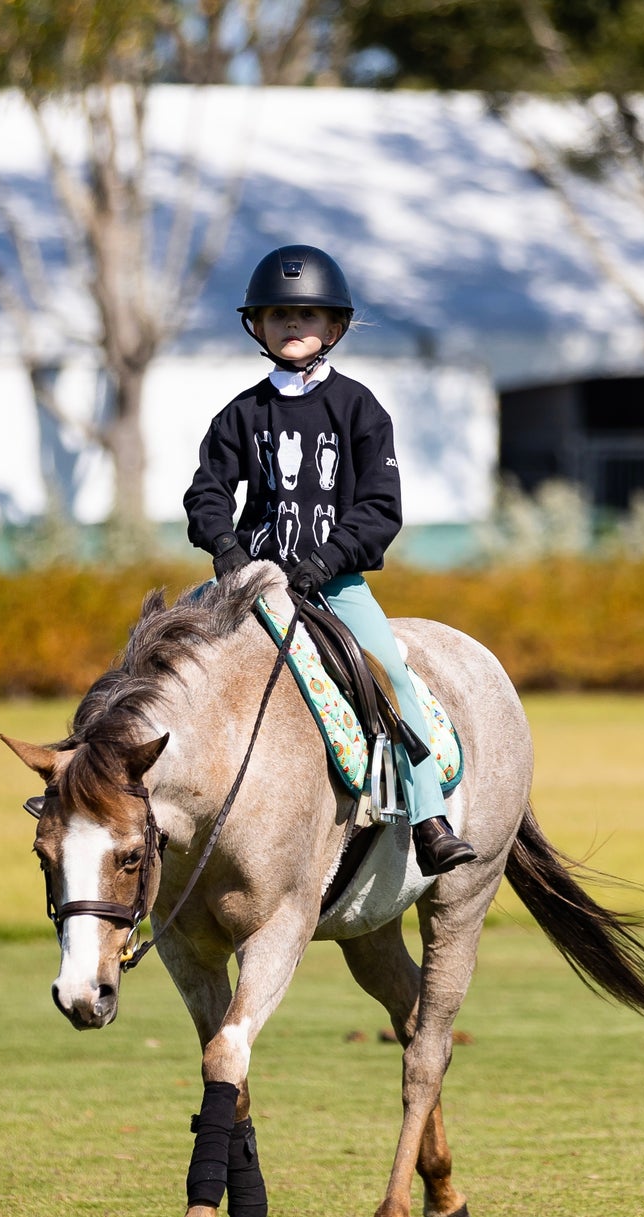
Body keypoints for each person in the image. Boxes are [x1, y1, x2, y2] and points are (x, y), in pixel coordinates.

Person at [183, 243, 476, 876]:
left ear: (335, 328)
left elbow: (378, 507)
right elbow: (206, 493)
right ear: (256, 327)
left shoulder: (360, 409)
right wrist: (230, 552)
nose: (294, 326)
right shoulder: (240, 414)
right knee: (167, 657)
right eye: (279, 316)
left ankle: (427, 818)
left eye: (309, 316)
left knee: (391, 675)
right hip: (248, 584)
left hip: (333, 584)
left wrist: (321, 564)